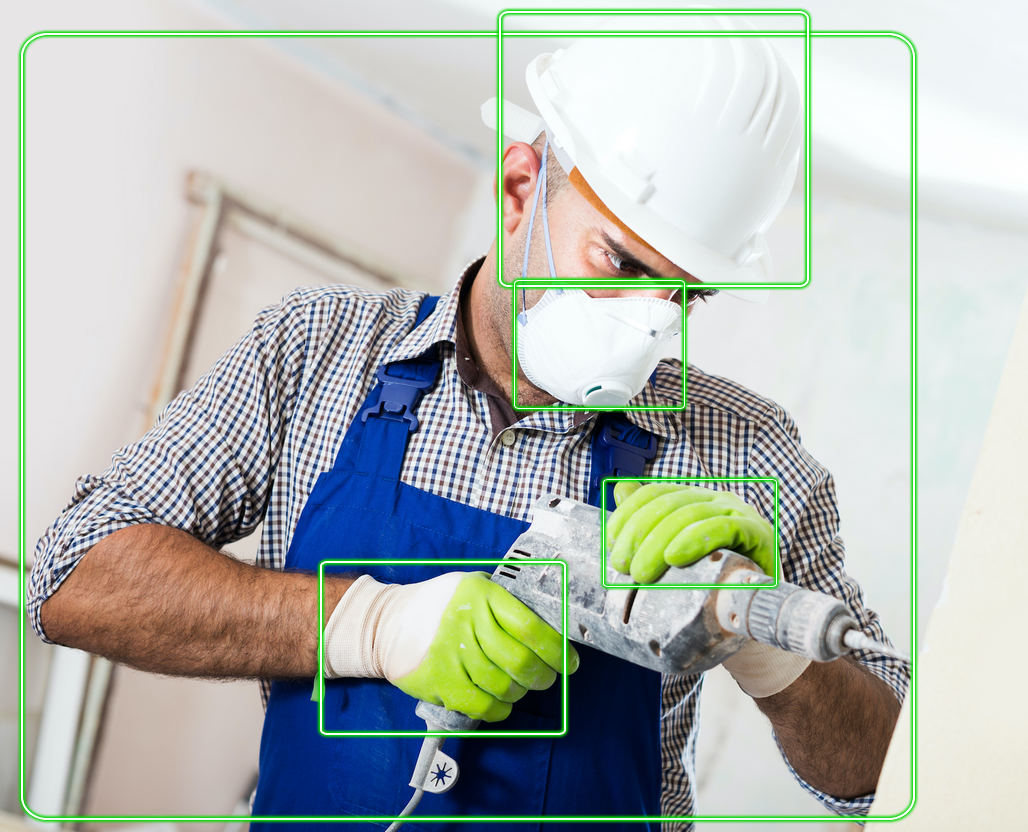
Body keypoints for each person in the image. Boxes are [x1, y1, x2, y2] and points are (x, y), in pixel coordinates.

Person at [29, 35, 906, 830]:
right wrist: (372, 625)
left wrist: (760, 634)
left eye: (684, 295)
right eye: (623, 263)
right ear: (521, 188)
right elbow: (73, 576)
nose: (648, 321)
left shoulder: (746, 453)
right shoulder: (316, 350)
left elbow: (889, 775)